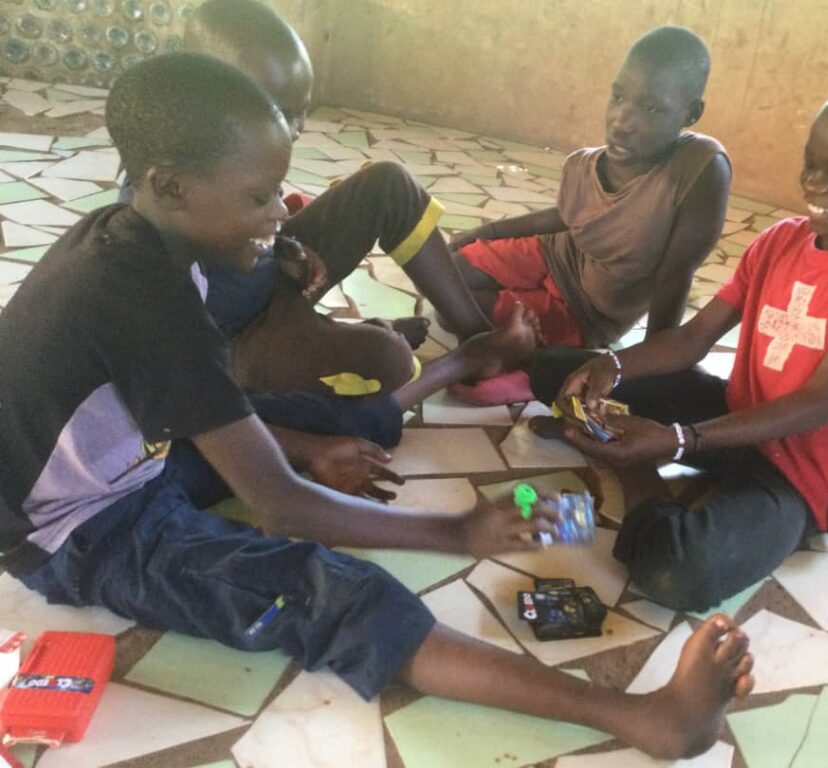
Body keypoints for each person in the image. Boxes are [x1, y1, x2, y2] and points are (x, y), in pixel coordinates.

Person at [0, 53, 753, 762]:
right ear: (167, 186)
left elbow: (211, 409)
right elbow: (282, 508)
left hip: (135, 456)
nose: (277, 219)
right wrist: (456, 532)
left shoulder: (139, 239)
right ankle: (647, 719)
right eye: (259, 199)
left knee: (322, 423)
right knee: (337, 593)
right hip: (80, 530)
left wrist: (298, 425)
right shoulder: (146, 302)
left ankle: (464, 361)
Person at [529, 71, 828, 612]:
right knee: (555, 371)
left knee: (676, 572)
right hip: (736, 420)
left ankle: (633, 467)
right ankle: (635, 444)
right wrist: (613, 364)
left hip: (799, 474)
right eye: (811, 163)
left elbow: (819, 403)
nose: (814, 184)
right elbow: (693, 339)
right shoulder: (783, 239)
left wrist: (677, 442)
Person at [183, 0, 496, 398]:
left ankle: (478, 334)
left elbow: (246, 235)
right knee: (388, 360)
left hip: (272, 286)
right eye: (280, 111)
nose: (296, 129)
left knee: (388, 185)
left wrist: (284, 247)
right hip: (240, 341)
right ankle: (458, 358)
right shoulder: (171, 184)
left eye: (303, 110)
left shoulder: (249, 151)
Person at [448, 26, 730, 352]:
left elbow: (675, 276)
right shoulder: (588, 166)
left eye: (651, 108)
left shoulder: (699, 171)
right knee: (449, 277)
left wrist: (650, 368)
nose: (621, 121)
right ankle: (514, 333)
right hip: (552, 254)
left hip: (586, 313)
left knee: (459, 313)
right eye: (619, 96)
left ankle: (512, 344)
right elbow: (567, 218)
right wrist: (489, 231)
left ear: (691, 113)